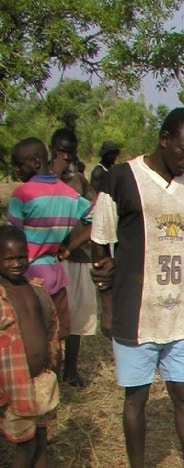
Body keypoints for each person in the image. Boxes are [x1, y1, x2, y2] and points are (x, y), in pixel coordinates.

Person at [89, 107, 184, 468]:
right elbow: (100, 241)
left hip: (179, 313)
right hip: (135, 312)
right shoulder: (122, 179)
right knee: (136, 398)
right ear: (164, 139)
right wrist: (107, 301)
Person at [7, 137, 94, 362]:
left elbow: (10, 238)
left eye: (19, 164)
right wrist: (70, 246)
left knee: (29, 337)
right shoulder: (68, 194)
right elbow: (98, 217)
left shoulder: (22, 193)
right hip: (55, 275)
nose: (16, 169)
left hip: (23, 277)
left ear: (36, 162)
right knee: (55, 336)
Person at [0, 226, 61, 468]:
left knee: (40, 438)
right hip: (12, 386)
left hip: (39, 382)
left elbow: (50, 328)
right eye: (8, 258)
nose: (16, 263)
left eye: (21, 256)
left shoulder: (37, 291)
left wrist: (53, 362)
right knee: (24, 445)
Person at [49, 128, 98, 387]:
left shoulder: (79, 183)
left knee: (78, 318)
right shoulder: (41, 181)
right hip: (49, 261)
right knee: (53, 319)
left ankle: (70, 371)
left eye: (69, 153)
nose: (65, 157)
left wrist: (71, 245)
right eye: (60, 152)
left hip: (78, 258)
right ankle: (52, 373)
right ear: (52, 150)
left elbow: (93, 216)